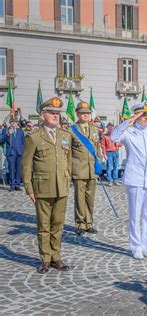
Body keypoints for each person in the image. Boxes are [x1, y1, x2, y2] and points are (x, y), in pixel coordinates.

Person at [21, 97, 72, 273]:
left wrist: (68, 180)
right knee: (44, 225)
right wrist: (29, 189)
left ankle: (56, 257)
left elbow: (68, 161)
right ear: (43, 116)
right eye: (52, 113)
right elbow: (26, 165)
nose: (56, 116)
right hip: (42, 188)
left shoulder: (65, 136)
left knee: (58, 224)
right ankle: (45, 258)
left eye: (57, 113)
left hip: (62, 187)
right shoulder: (34, 138)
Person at [111, 102, 147, 260]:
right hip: (135, 178)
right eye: (142, 115)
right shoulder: (128, 132)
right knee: (135, 214)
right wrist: (128, 121)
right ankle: (136, 246)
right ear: (137, 116)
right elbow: (113, 137)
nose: (146, 118)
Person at [70, 101, 102, 235]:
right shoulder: (71, 130)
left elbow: (97, 149)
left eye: (88, 113)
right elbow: (68, 152)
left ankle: (89, 223)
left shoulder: (94, 129)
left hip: (92, 170)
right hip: (79, 169)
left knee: (90, 198)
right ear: (77, 114)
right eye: (83, 113)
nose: (86, 115)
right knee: (80, 198)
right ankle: (80, 224)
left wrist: (99, 165)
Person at [0, 117, 25, 191]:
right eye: (12, 122)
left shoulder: (20, 131)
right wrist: (7, 134)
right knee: (11, 169)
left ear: (17, 123)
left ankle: (17, 184)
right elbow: (1, 141)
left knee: (18, 169)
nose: (13, 123)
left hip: (19, 152)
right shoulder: (5, 130)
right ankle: (12, 185)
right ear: (9, 123)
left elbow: (24, 142)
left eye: (15, 122)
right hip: (10, 152)